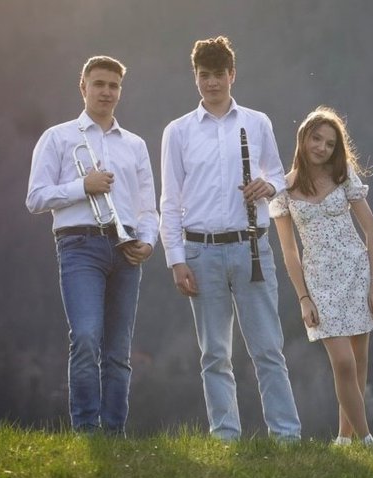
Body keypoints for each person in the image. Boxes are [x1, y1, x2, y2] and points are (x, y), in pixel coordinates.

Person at [159, 36, 301, 442]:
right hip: (200, 250)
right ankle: (225, 436)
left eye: (219, 75)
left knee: (268, 349)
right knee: (215, 354)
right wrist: (175, 259)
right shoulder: (177, 131)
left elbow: (279, 174)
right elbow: (169, 200)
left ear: (232, 75)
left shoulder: (256, 122)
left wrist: (267, 187)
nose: (212, 83)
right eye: (204, 76)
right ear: (195, 78)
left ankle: (287, 436)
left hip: (251, 244)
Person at [26, 55, 159, 436]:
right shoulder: (57, 137)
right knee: (85, 337)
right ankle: (86, 430)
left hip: (126, 247)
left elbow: (148, 208)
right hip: (78, 244)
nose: (106, 91)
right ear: (82, 86)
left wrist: (148, 243)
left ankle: (113, 435)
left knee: (118, 350)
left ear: (120, 91)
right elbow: (35, 198)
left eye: (113, 85)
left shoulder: (135, 145)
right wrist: (81, 187)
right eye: (98, 84)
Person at [271, 107, 373, 446]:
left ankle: (344, 439)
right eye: (316, 139)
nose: (321, 147)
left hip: (357, 273)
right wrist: (303, 298)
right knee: (342, 363)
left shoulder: (344, 176)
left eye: (329, 143)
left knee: (358, 361)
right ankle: (367, 439)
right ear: (303, 138)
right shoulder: (284, 188)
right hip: (319, 282)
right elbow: (289, 252)